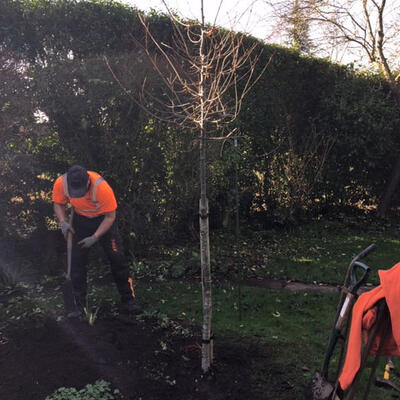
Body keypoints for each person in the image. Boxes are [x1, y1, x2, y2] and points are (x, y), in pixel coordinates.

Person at [52, 165, 141, 315]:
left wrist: (94, 238)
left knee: (117, 259)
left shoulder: (101, 188)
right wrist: (63, 222)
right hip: (80, 222)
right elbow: (58, 204)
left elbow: (110, 217)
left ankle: (129, 300)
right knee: (77, 262)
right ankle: (78, 305)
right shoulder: (61, 183)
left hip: (103, 222)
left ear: (87, 182)